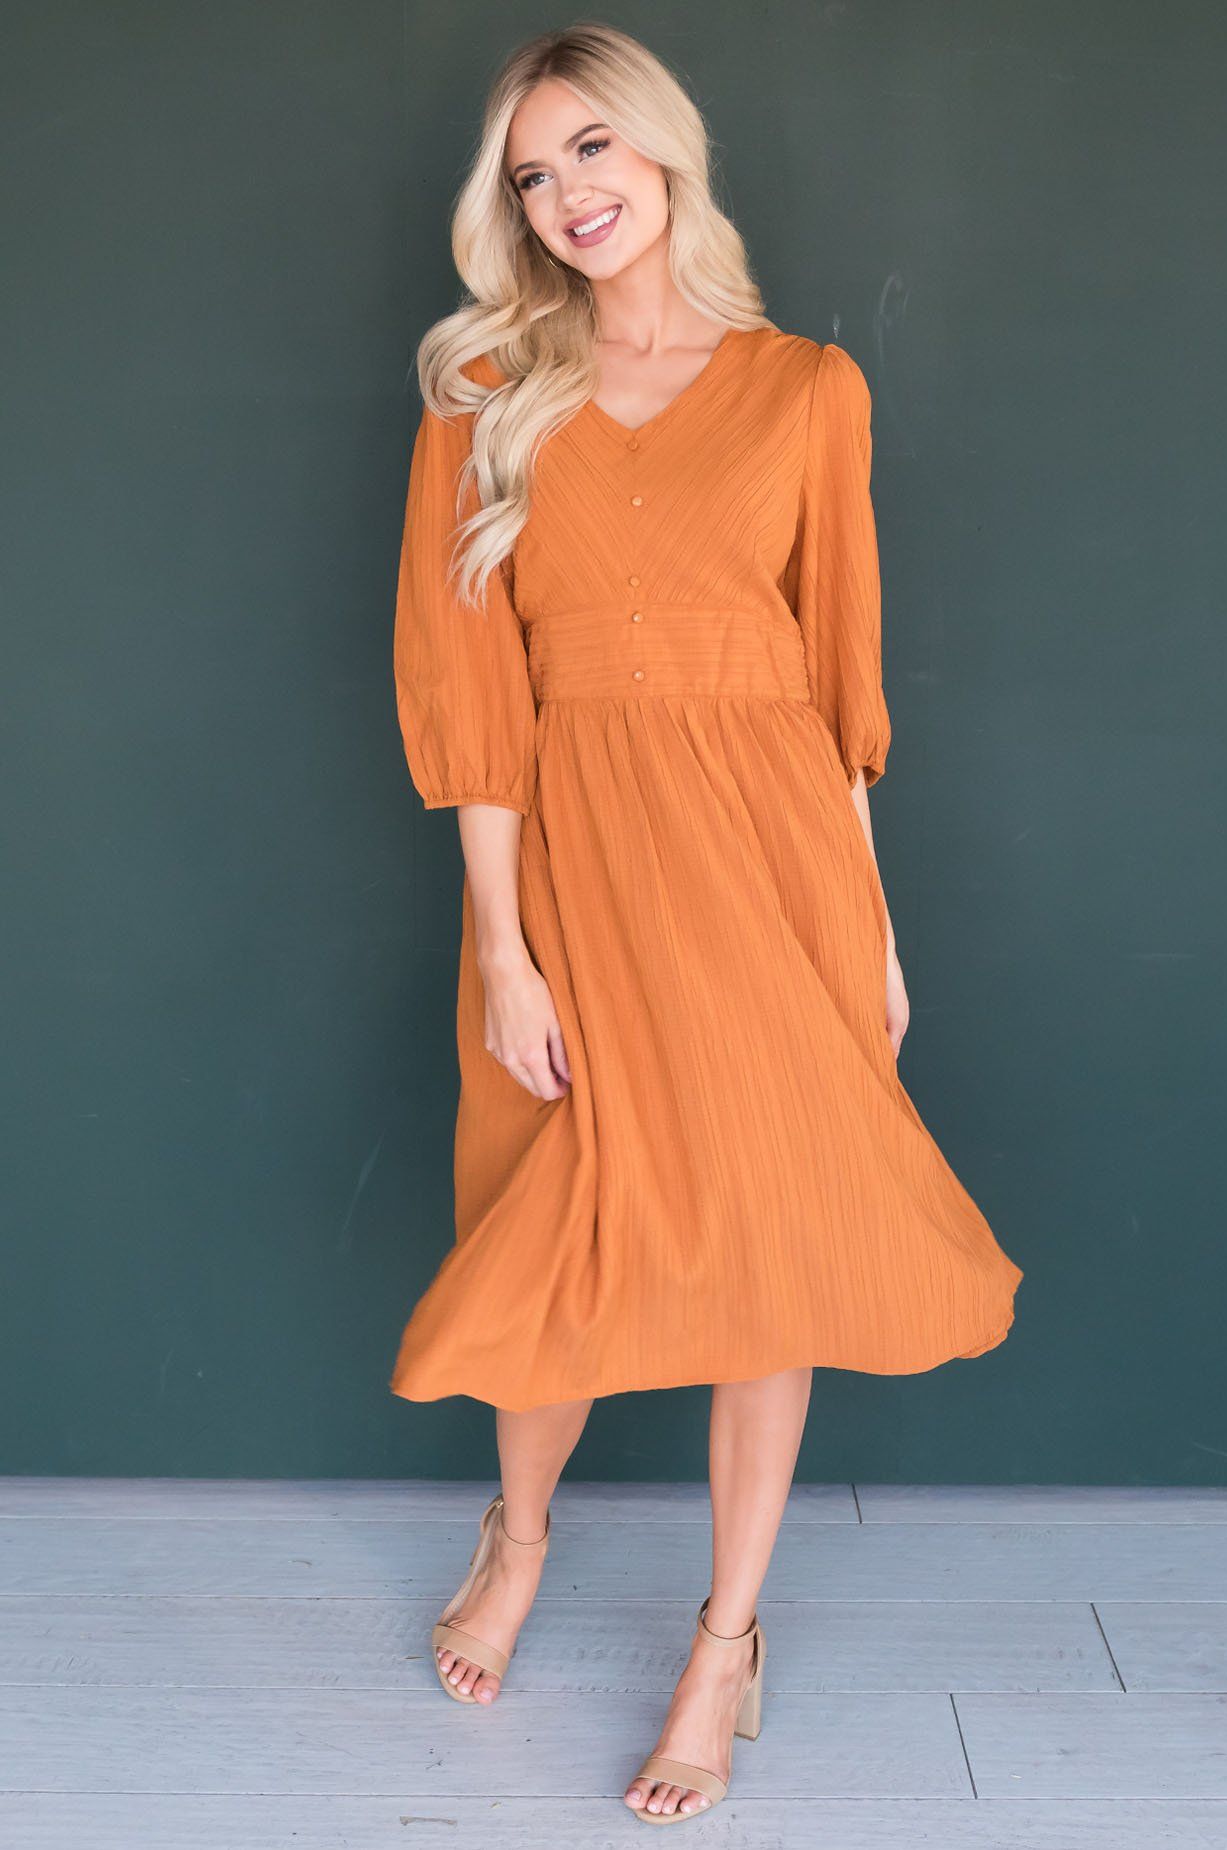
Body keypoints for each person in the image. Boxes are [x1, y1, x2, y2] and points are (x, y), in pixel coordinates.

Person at [388, 22, 1024, 1825]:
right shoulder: (484, 392)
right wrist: (503, 947)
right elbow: (472, 698)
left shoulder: (810, 389)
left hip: (776, 862)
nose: (567, 195)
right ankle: (519, 1534)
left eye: (592, 149)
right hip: (578, 862)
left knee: (773, 1234)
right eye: (532, 174)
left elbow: (838, 687)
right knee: (560, 1213)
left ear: (665, 149)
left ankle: (724, 1641)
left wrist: (873, 930)